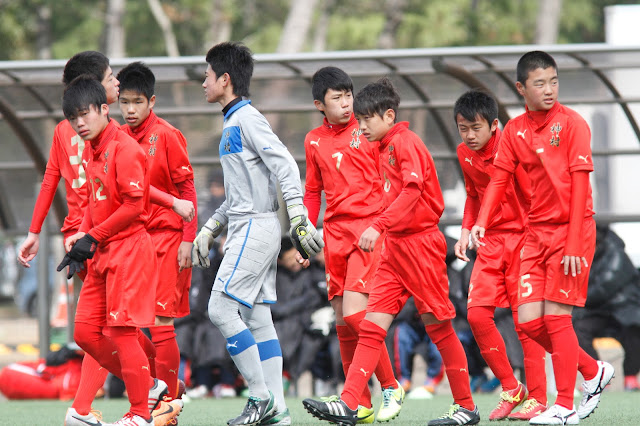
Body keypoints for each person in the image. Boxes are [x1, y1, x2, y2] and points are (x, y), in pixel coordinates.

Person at [303, 77, 480, 426]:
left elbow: (413, 191)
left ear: (388, 115)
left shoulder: (405, 142)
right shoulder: (381, 145)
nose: (361, 125)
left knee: (439, 326)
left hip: (419, 245)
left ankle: (466, 407)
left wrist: (377, 225)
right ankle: (351, 401)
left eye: (366, 119)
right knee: (369, 326)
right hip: (393, 248)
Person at [470, 50, 614, 425]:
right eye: (539, 83)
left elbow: (582, 183)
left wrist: (571, 241)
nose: (549, 89)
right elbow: (499, 179)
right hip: (535, 234)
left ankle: (563, 407)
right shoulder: (514, 131)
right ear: (521, 88)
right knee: (530, 323)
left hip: (572, 232)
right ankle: (592, 370)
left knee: (557, 320)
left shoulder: (573, 123)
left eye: (553, 81)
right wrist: (481, 222)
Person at [191, 41, 323, 426]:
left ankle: (260, 397)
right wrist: (210, 229)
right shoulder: (233, 121)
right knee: (258, 319)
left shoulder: (247, 119)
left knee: (219, 308)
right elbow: (236, 196)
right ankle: (279, 411)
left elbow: (284, 164)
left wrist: (297, 214)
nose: (204, 82)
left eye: (207, 75)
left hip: (255, 228)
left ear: (225, 79)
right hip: (252, 225)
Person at [59, 75, 170, 426]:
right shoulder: (92, 152)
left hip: (130, 250)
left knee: (122, 333)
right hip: (102, 253)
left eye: (84, 114)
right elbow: (95, 202)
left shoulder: (125, 148)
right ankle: (149, 385)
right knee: (84, 334)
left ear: (104, 109)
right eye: (73, 118)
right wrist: (82, 237)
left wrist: (93, 235)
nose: (79, 123)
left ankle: (140, 413)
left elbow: (135, 207)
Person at [300, 66, 404, 423]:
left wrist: (385, 222)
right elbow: (313, 190)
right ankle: (358, 403)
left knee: (359, 315)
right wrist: (305, 231)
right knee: (344, 322)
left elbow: (392, 176)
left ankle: (390, 385)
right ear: (319, 104)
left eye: (349, 95)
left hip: (368, 233)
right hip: (334, 236)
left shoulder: (368, 131)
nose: (346, 104)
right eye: (337, 98)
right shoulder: (313, 140)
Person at [453, 89, 548, 420]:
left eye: (475, 128)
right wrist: (466, 230)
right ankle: (512, 387)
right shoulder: (463, 152)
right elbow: (472, 194)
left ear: (494, 125)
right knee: (477, 315)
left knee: (526, 322)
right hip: (490, 242)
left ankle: (538, 397)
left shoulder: (514, 148)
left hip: (523, 241)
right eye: (463, 128)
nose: (469, 135)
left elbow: (534, 197)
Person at [117, 61, 198, 404]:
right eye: (125, 102)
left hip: (167, 239)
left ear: (152, 102)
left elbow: (187, 188)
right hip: (132, 243)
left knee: (162, 322)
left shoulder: (166, 135)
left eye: (138, 102)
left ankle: (168, 407)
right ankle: (163, 389)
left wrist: (188, 240)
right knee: (128, 325)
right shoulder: (117, 137)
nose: (131, 110)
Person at [573, 224, 640, 392]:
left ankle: (631, 378)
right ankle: (597, 375)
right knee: (577, 328)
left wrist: (574, 297)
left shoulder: (616, 254)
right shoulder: (589, 255)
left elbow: (603, 288)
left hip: (624, 308)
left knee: (634, 329)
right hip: (600, 311)